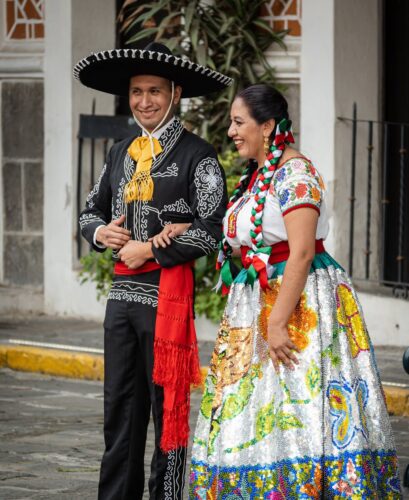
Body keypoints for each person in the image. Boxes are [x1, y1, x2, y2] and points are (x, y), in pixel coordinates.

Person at [184, 84, 402, 498]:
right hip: (257, 302)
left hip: (297, 304)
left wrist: (279, 321)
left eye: (238, 121)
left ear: (267, 126)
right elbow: (249, 237)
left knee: (297, 408)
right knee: (258, 408)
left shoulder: (295, 174)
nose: (231, 131)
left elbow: (301, 251)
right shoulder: (258, 175)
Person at [74, 42, 230, 499]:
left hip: (167, 303)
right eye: (137, 92)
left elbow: (213, 228)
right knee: (118, 414)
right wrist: (103, 235)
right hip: (121, 304)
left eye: (155, 91)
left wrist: (152, 252)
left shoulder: (198, 156)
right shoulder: (120, 153)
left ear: (175, 93)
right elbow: (89, 213)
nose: (145, 101)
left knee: (169, 418)